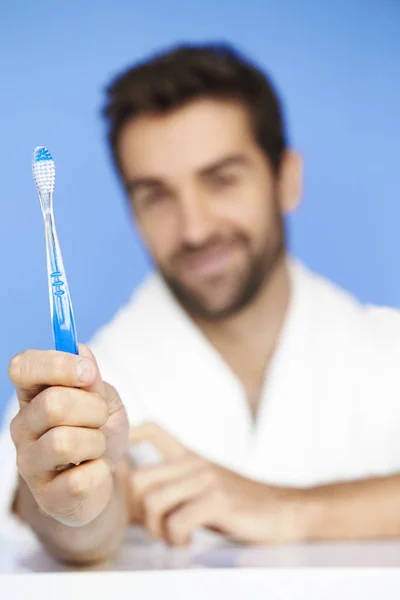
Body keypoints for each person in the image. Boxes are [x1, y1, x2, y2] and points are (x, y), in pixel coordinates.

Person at [1, 42, 400, 566]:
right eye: (156, 196)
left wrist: (292, 511)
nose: (195, 229)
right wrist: (76, 508)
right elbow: (61, 522)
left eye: (222, 180)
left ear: (287, 178)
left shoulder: (388, 350)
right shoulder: (84, 383)